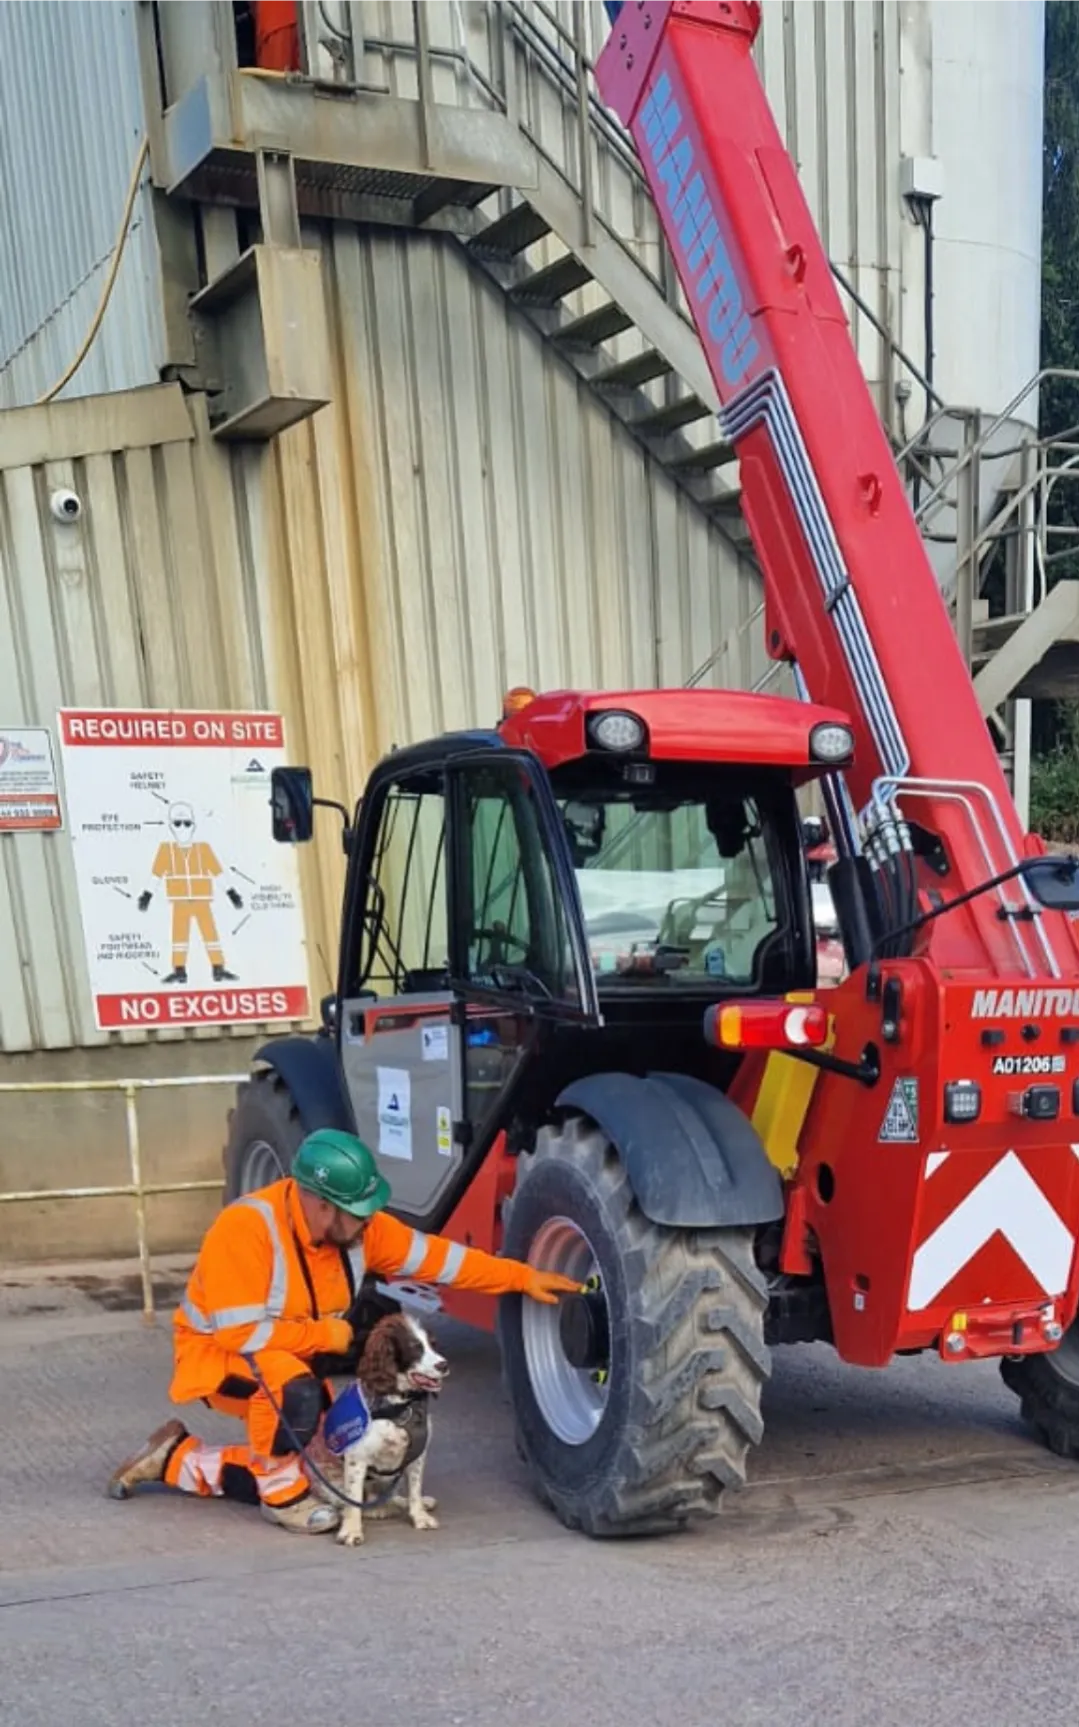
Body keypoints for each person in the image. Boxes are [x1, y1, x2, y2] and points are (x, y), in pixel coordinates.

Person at [108, 1130, 579, 1534]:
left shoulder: (358, 1230)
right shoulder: (245, 1229)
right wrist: (326, 1338)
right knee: (299, 1414)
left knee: (329, 1451)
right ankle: (272, 1495)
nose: (368, 1222)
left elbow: (441, 1260)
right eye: (357, 1212)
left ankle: (176, 1456)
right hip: (220, 1359)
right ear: (318, 1204)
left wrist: (521, 1277)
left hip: (291, 1355)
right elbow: (241, 1335)